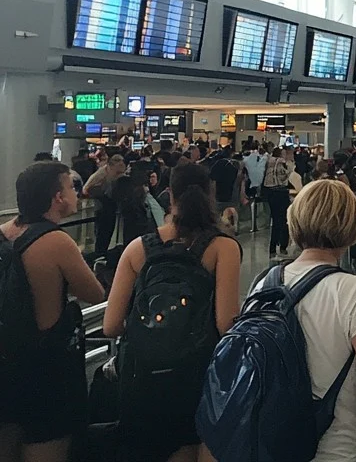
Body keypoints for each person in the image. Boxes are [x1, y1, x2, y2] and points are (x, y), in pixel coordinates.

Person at [103, 161, 242, 462]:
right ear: (210, 192)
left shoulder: (138, 248)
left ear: (169, 194)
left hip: (143, 379)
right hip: (198, 376)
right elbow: (225, 323)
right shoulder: (223, 247)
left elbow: (111, 325)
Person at [262, 180, 356, 462]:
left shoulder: (266, 282)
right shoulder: (352, 288)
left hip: (275, 440)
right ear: (350, 225)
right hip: (336, 446)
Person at [0, 162, 108, 462]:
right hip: (47, 372)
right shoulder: (56, 241)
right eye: (71, 186)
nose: (77, 193)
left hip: (6, 365)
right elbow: (94, 293)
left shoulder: (2, 234)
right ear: (57, 197)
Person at [84, 154, 127, 254]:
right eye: (117, 172)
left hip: (112, 204)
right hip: (102, 206)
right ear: (110, 167)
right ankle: (100, 252)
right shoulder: (100, 175)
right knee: (103, 232)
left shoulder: (115, 173)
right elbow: (86, 189)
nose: (120, 174)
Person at [207, 146, 246, 234]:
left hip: (218, 196)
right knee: (233, 214)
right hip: (233, 197)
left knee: (217, 216)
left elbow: (212, 182)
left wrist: (211, 196)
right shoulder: (238, 166)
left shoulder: (217, 164)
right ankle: (234, 229)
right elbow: (241, 182)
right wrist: (242, 196)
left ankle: (218, 231)